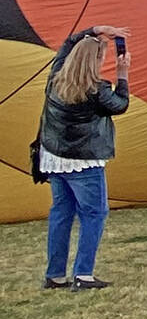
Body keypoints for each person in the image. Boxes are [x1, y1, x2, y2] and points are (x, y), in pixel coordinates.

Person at [39, 24, 131, 291]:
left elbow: (68, 42)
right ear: (95, 62)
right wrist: (123, 75)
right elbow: (120, 105)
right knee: (94, 213)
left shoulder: (56, 76)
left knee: (61, 213)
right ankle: (83, 274)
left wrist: (96, 29)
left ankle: (55, 275)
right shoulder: (97, 91)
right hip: (83, 161)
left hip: (55, 157)